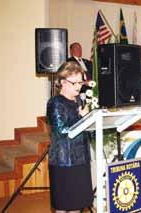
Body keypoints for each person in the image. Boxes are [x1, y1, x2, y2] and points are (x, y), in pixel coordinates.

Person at [46, 61, 93, 213]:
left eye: (81, 82)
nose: (79, 86)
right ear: (62, 82)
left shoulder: (79, 101)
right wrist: (81, 116)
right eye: (75, 83)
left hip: (81, 159)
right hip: (64, 162)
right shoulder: (55, 103)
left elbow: (85, 129)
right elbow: (61, 131)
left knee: (77, 205)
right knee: (63, 205)